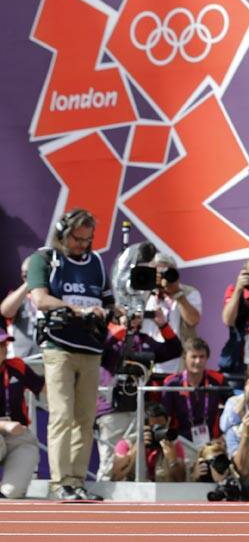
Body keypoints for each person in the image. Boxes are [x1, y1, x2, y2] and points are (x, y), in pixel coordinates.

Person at [27, 208, 112, 501]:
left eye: (88, 240)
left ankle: (77, 482)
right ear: (63, 232)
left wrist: (119, 314)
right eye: (78, 239)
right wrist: (78, 310)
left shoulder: (97, 262)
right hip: (58, 347)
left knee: (85, 418)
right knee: (61, 414)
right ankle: (59, 482)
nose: (83, 245)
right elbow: (39, 298)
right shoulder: (45, 259)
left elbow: (108, 300)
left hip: (91, 350)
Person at [96, 307, 182, 481]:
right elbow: (100, 350)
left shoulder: (143, 340)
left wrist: (162, 324)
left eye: (136, 314)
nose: (134, 318)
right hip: (111, 409)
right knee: (110, 464)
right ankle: (101, 504)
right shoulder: (108, 336)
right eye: (128, 315)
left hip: (139, 409)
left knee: (138, 462)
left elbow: (174, 350)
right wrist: (119, 327)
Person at [141, 252, 202, 376]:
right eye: (157, 273)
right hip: (145, 362)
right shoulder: (143, 292)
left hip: (178, 363)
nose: (162, 278)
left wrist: (178, 294)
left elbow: (192, 320)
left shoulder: (189, 293)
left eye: (166, 273)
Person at [0, 326, 44, 498]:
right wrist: (4, 425)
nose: (3, 349)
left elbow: (46, 388)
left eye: (4, 344)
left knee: (11, 493)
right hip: (4, 430)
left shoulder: (17, 366)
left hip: (18, 436)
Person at [162, 338, 228, 449]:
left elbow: (233, 407)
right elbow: (164, 420)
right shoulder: (172, 383)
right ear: (184, 358)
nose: (198, 361)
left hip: (211, 444)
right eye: (193, 357)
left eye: (202, 357)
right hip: (180, 444)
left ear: (207, 358)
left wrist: (224, 437)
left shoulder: (218, 380)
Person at [111, 403, 187, 482]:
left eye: (162, 427)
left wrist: (173, 461)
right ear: (143, 427)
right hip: (134, 492)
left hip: (163, 492)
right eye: (154, 427)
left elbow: (181, 481)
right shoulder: (126, 444)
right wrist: (135, 450)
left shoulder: (173, 445)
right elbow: (115, 476)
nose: (159, 431)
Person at [1, 257, 42, 359]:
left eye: (31, 272)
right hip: (22, 361)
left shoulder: (54, 295)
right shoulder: (18, 296)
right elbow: (6, 311)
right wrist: (30, 282)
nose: (26, 276)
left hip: (51, 360)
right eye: (24, 273)